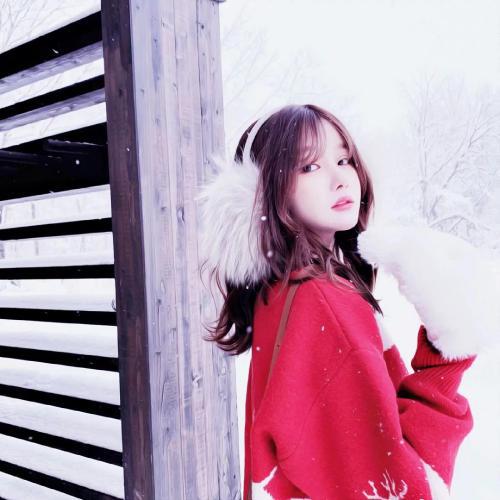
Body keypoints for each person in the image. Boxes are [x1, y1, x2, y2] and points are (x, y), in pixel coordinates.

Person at [195, 104, 499, 499]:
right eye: (309, 166)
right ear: (265, 191)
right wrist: (445, 359)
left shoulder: (281, 292)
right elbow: (402, 489)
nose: (340, 179)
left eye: (344, 160)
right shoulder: (320, 301)